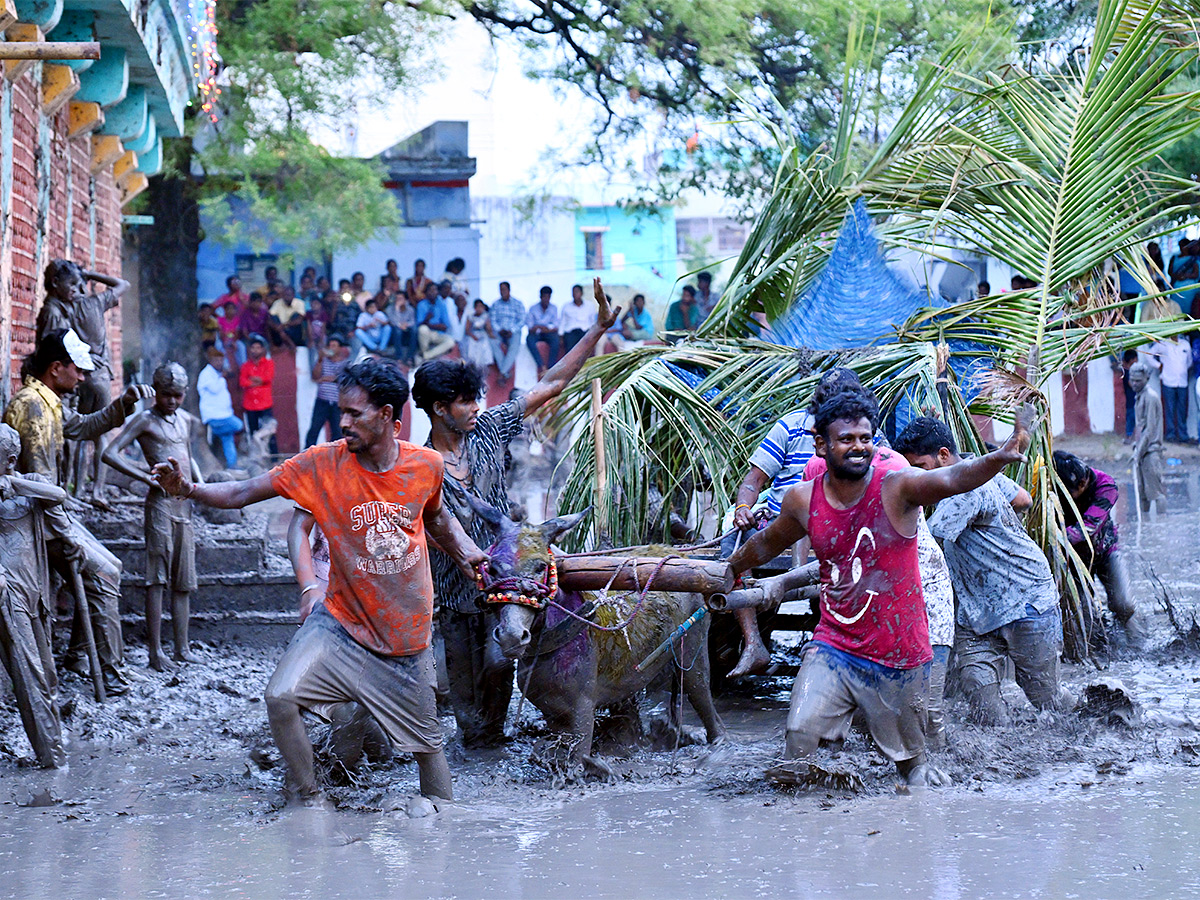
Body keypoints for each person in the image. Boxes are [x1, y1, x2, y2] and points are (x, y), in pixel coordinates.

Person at [151, 359, 489, 806]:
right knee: (281, 696)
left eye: (355, 413)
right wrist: (188, 489)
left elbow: (437, 517)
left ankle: (445, 831)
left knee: (429, 751)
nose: (342, 422)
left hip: (406, 639)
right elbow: (240, 493)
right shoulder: (321, 464)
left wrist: (465, 550)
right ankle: (306, 798)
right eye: (341, 412)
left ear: (388, 416)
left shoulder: (425, 465)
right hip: (341, 624)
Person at [727, 392, 1031, 786]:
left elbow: (952, 478)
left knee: (914, 771)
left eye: (864, 438)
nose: (858, 447)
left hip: (899, 651)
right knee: (798, 738)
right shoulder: (802, 498)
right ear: (821, 445)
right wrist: (728, 569)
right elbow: (768, 542)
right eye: (846, 439)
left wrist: (999, 456)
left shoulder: (897, 487)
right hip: (836, 643)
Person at [411, 277, 620, 747]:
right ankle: (478, 774)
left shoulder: (488, 429)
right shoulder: (417, 466)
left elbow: (553, 382)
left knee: (507, 690)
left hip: (514, 594)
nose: (475, 407)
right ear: (439, 409)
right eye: (465, 402)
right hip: (458, 602)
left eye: (475, 398)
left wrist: (597, 328)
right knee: (470, 716)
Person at [894, 416, 1075, 727]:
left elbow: (926, 545)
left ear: (943, 455)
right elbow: (1023, 498)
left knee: (1047, 699)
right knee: (981, 700)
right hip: (976, 610)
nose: (915, 478)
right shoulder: (979, 468)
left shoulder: (962, 491)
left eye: (920, 468)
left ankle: (1097, 710)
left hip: (1024, 600)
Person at [3, 329, 152, 697]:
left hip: (50, 512)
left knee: (107, 569)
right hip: (35, 522)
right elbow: (36, 487)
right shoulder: (33, 407)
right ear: (57, 368)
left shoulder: (48, 399)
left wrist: (123, 403)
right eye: (78, 370)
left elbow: (83, 426)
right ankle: (111, 672)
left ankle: (80, 655)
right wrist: (67, 533)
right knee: (104, 573)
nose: (83, 377)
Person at [726, 368, 865, 677]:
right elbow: (754, 479)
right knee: (734, 545)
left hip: (841, 529)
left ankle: (836, 646)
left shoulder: (864, 437)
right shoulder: (790, 426)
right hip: (783, 525)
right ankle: (753, 644)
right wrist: (743, 508)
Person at [102, 363, 202, 671]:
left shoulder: (185, 420)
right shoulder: (145, 420)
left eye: (177, 395)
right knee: (156, 577)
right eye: (165, 394)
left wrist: (200, 489)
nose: (171, 401)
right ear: (155, 392)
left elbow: (188, 456)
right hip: (159, 503)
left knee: (183, 579)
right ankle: (155, 652)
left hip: (183, 504)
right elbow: (110, 453)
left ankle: (182, 648)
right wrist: (145, 479)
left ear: (184, 394)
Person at [0, 423, 78, 767]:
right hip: (8, 594)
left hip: (36, 593)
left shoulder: (29, 487)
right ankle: (53, 759)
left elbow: (58, 496)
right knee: (28, 676)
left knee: (46, 674)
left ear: (11, 459)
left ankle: (56, 748)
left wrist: (12, 482)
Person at [36, 260, 129, 500]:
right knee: (93, 433)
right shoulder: (84, 306)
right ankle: (88, 490)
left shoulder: (66, 309)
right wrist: (90, 274)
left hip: (73, 377)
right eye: (73, 284)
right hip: (87, 376)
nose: (76, 289)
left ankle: (73, 490)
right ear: (56, 283)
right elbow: (122, 284)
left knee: (78, 435)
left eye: (79, 284)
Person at [1052, 451, 1144, 648]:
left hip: (1105, 551)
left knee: (1124, 605)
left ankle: (1138, 646)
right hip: (1074, 560)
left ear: (1083, 483)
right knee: (1083, 614)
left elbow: (1089, 527)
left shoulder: (1106, 485)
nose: (1064, 496)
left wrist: (1055, 538)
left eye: (1069, 492)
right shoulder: (1055, 486)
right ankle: (1096, 650)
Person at [198, 345, 244, 467]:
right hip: (215, 415)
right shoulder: (206, 374)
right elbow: (214, 389)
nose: (220, 363)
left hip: (223, 413)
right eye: (217, 360)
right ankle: (215, 432)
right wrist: (222, 377)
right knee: (239, 425)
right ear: (210, 361)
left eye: (221, 360)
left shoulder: (216, 374)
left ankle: (232, 465)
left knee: (228, 439)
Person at [1130, 361, 1166, 514]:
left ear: (1146, 378)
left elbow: (1150, 429)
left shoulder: (1151, 397)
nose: (1134, 384)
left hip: (1151, 451)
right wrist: (1136, 446)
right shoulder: (1139, 397)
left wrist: (1139, 452)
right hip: (1142, 449)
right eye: (1132, 380)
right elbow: (1140, 425)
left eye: (1138, 380)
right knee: (1142, 494)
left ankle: (1162, 525)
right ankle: (1146, 528)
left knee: (1156, 494)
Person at [305, 334, 352, 447]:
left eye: (334, 346)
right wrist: (320, 360)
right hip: (322, 401)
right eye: (330, 346)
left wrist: (327, 378)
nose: (331, 348)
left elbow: (344, 379)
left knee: (337, 431)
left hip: (337, 403)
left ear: (340, 348)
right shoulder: (324, 361)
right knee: (314, 429)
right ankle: (306, 455)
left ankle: (334, 459)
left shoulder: (345, 363)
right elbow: (315, 376)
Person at [1145, 335, 1191, 442]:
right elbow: (1149, 355)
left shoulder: (1185, 344)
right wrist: (1158, 365)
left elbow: (1189, 362)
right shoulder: (1163, 344)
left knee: (1182, 410)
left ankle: (1183, 436)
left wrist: (1182, 370)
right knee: (1169, 409)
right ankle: (1170, 435)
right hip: (1168, 381)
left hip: (1182, 382)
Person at [239, 335, 277, 455]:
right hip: (250, 404)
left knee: (269, 431)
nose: (255, 350)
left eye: (258, 348)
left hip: (265, 403)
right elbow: (242, 382)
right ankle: (256, 457)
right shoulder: (246, 365)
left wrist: (252, 380)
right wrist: (257, 381)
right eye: (253, 348)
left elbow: (267, 378)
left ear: (263, 350)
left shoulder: (268, 363)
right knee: (253, 431)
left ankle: (273, 458)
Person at [488, 282, 526, 382]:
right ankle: (504, 372)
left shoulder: (517, 303)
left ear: (509, 290)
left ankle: (502, 372)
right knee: (492, 342)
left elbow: (522, 320)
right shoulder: (495, 304)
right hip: (500, 331)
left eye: (504, 289)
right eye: (501, 290)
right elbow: (493, 320)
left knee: (515, 344)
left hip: (513, 331)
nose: (502, 292)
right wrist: (499, 330)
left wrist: (511, 330)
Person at [525, 286, 560, 376]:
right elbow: (530, 326)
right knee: (529, 339)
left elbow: (556, 325)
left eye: (548, 297)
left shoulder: (553, 308)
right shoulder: (533, 308)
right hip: (536, 333)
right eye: (544, 297)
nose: (546, 299)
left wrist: (546, 328)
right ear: (540, 297)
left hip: (549, 333)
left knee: (556, 340)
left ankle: (550, 367)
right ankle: (541, 365)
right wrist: (538, 327)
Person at [416, 282, 455, 361]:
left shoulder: (441, 304)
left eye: (435, 290)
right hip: (427, 333)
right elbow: (420, 324)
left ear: (438, 292)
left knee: (450, 342)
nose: (433, 292)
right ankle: (424, 351)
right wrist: (427, 319)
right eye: (430, 290)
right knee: (423, 329)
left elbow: (445, 326)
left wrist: (429, 324)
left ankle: (426, 355)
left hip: (438, 334)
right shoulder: (421, 304)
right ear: (426, 292)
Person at [560, 284, 597, 354]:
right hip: (570, 332)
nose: (574, 294)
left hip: (585, 331)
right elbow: (562, 322)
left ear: (582, 293)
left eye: (577, 292)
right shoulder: (566, 306)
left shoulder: (590, 306)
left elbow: (592, 322)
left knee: (586, 351)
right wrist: (560, 336)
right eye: (573, 292)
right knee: (570, 351)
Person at [387, 289, 417, 365]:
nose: (398, 301)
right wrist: (397, 309)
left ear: (405, 300)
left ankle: (410, 357)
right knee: (397, 331)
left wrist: (406, 324)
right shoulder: (390, 309)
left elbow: (412, 321)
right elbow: (393, 322)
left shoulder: (410, 309)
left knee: (414, 330)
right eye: (397, 299)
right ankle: (399, 357)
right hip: (396, 330)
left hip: (407, 329)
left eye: (400, 299)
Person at [465, 300, 495, 369]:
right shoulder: (470, 316)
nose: (479, 308)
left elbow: (489, 329)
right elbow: (467, 330)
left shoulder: (485, 316)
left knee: (485, 346)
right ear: (474, 308)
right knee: (472, 349)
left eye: (481, 306)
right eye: (477, 306)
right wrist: (473, 336)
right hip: (473, 335)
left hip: (483, 335)